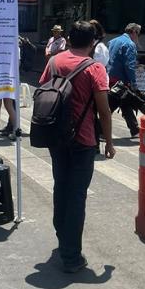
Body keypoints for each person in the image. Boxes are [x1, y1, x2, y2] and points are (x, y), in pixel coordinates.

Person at [37, 21, 114, 272]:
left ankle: (64, 239)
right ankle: (71, 256)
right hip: (83, 139)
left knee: (61, 187)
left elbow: (43, 90)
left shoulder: (54, 62)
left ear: (69, 39)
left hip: (56, 136)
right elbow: (104, 110)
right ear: (93, 42)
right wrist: (109, 142)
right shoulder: (96, 69)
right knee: (77, 195)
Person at [107, 23, 142, 137]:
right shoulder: (130, 44)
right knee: (112, 105)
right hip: (121, 80)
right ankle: (98, 129)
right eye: (138, 33)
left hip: (110, 77)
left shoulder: (112, 42)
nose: (138, 36)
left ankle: (135, 129)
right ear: (133, 31)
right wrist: (134, 83)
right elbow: (129, 65)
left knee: (125, 103)